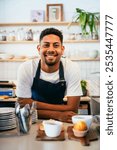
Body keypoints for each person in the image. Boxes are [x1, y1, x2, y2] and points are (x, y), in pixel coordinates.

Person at [16, 27, 83, 123]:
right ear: (39, 49)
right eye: (46, 45)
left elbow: (72, 109)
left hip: (61, 121)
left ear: (62, 49)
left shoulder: (71, 67)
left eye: (56, 45)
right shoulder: (26, 68)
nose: (51, 50)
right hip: (33, 121)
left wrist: (33, 104)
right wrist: (57, 114)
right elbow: (23, 106)